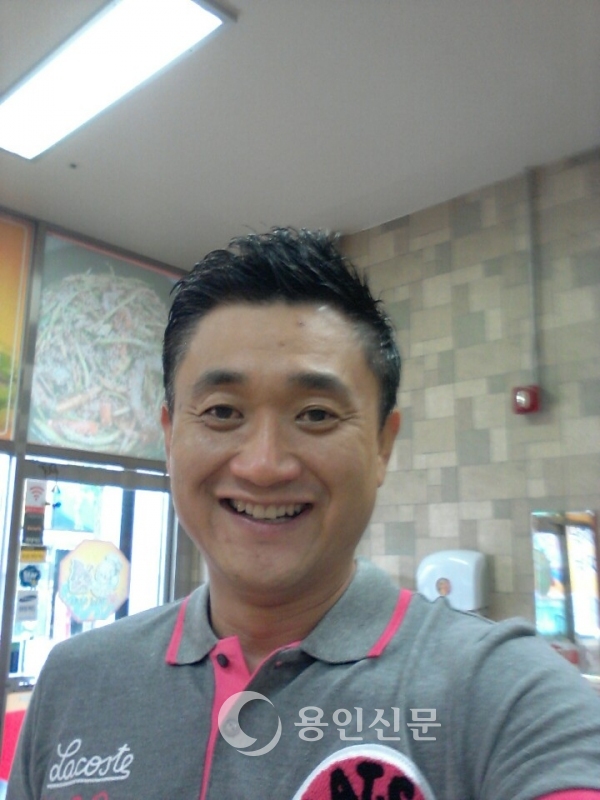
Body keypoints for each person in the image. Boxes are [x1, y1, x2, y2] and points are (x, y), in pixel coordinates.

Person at [7, 228, 600, 800]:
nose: (264, 466)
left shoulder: (506, 693)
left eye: (316, 414)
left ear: (382, 445)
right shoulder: (76, 680)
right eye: (222, 412)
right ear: (169, 436)